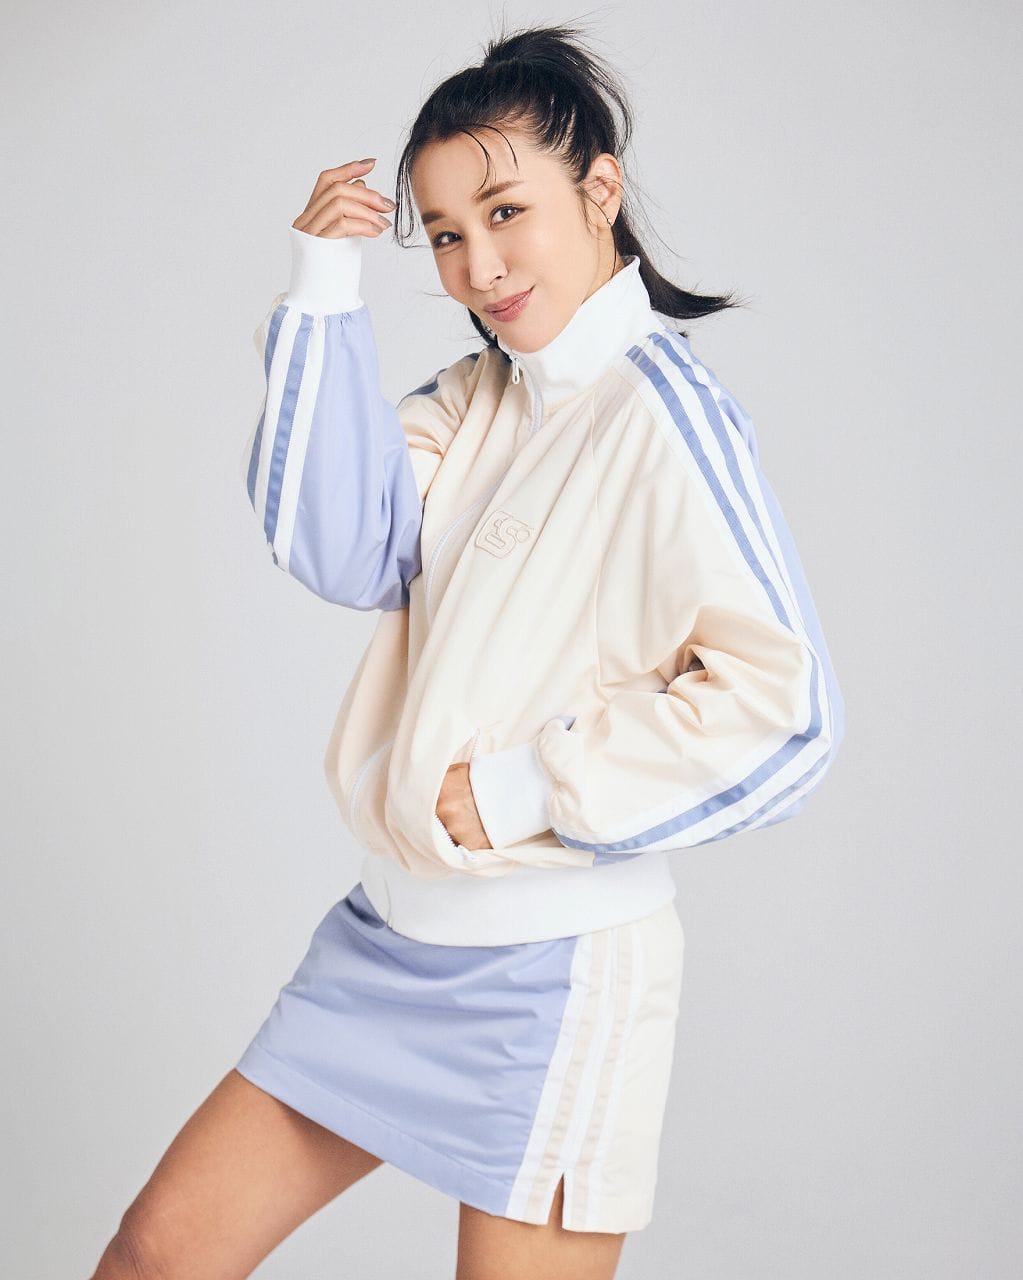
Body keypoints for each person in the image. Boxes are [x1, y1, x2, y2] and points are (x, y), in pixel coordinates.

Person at [88, 21, 844, 1280]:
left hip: (553, 973)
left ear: (599, 190)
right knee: (157, 1254)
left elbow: (787, 713)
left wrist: (525, 788)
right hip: (388, 936)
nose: (478, 265)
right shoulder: (474, 396)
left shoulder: (667, 415)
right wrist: (324, 290)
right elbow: (341, 546)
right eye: (442, 234)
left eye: (505, 212)